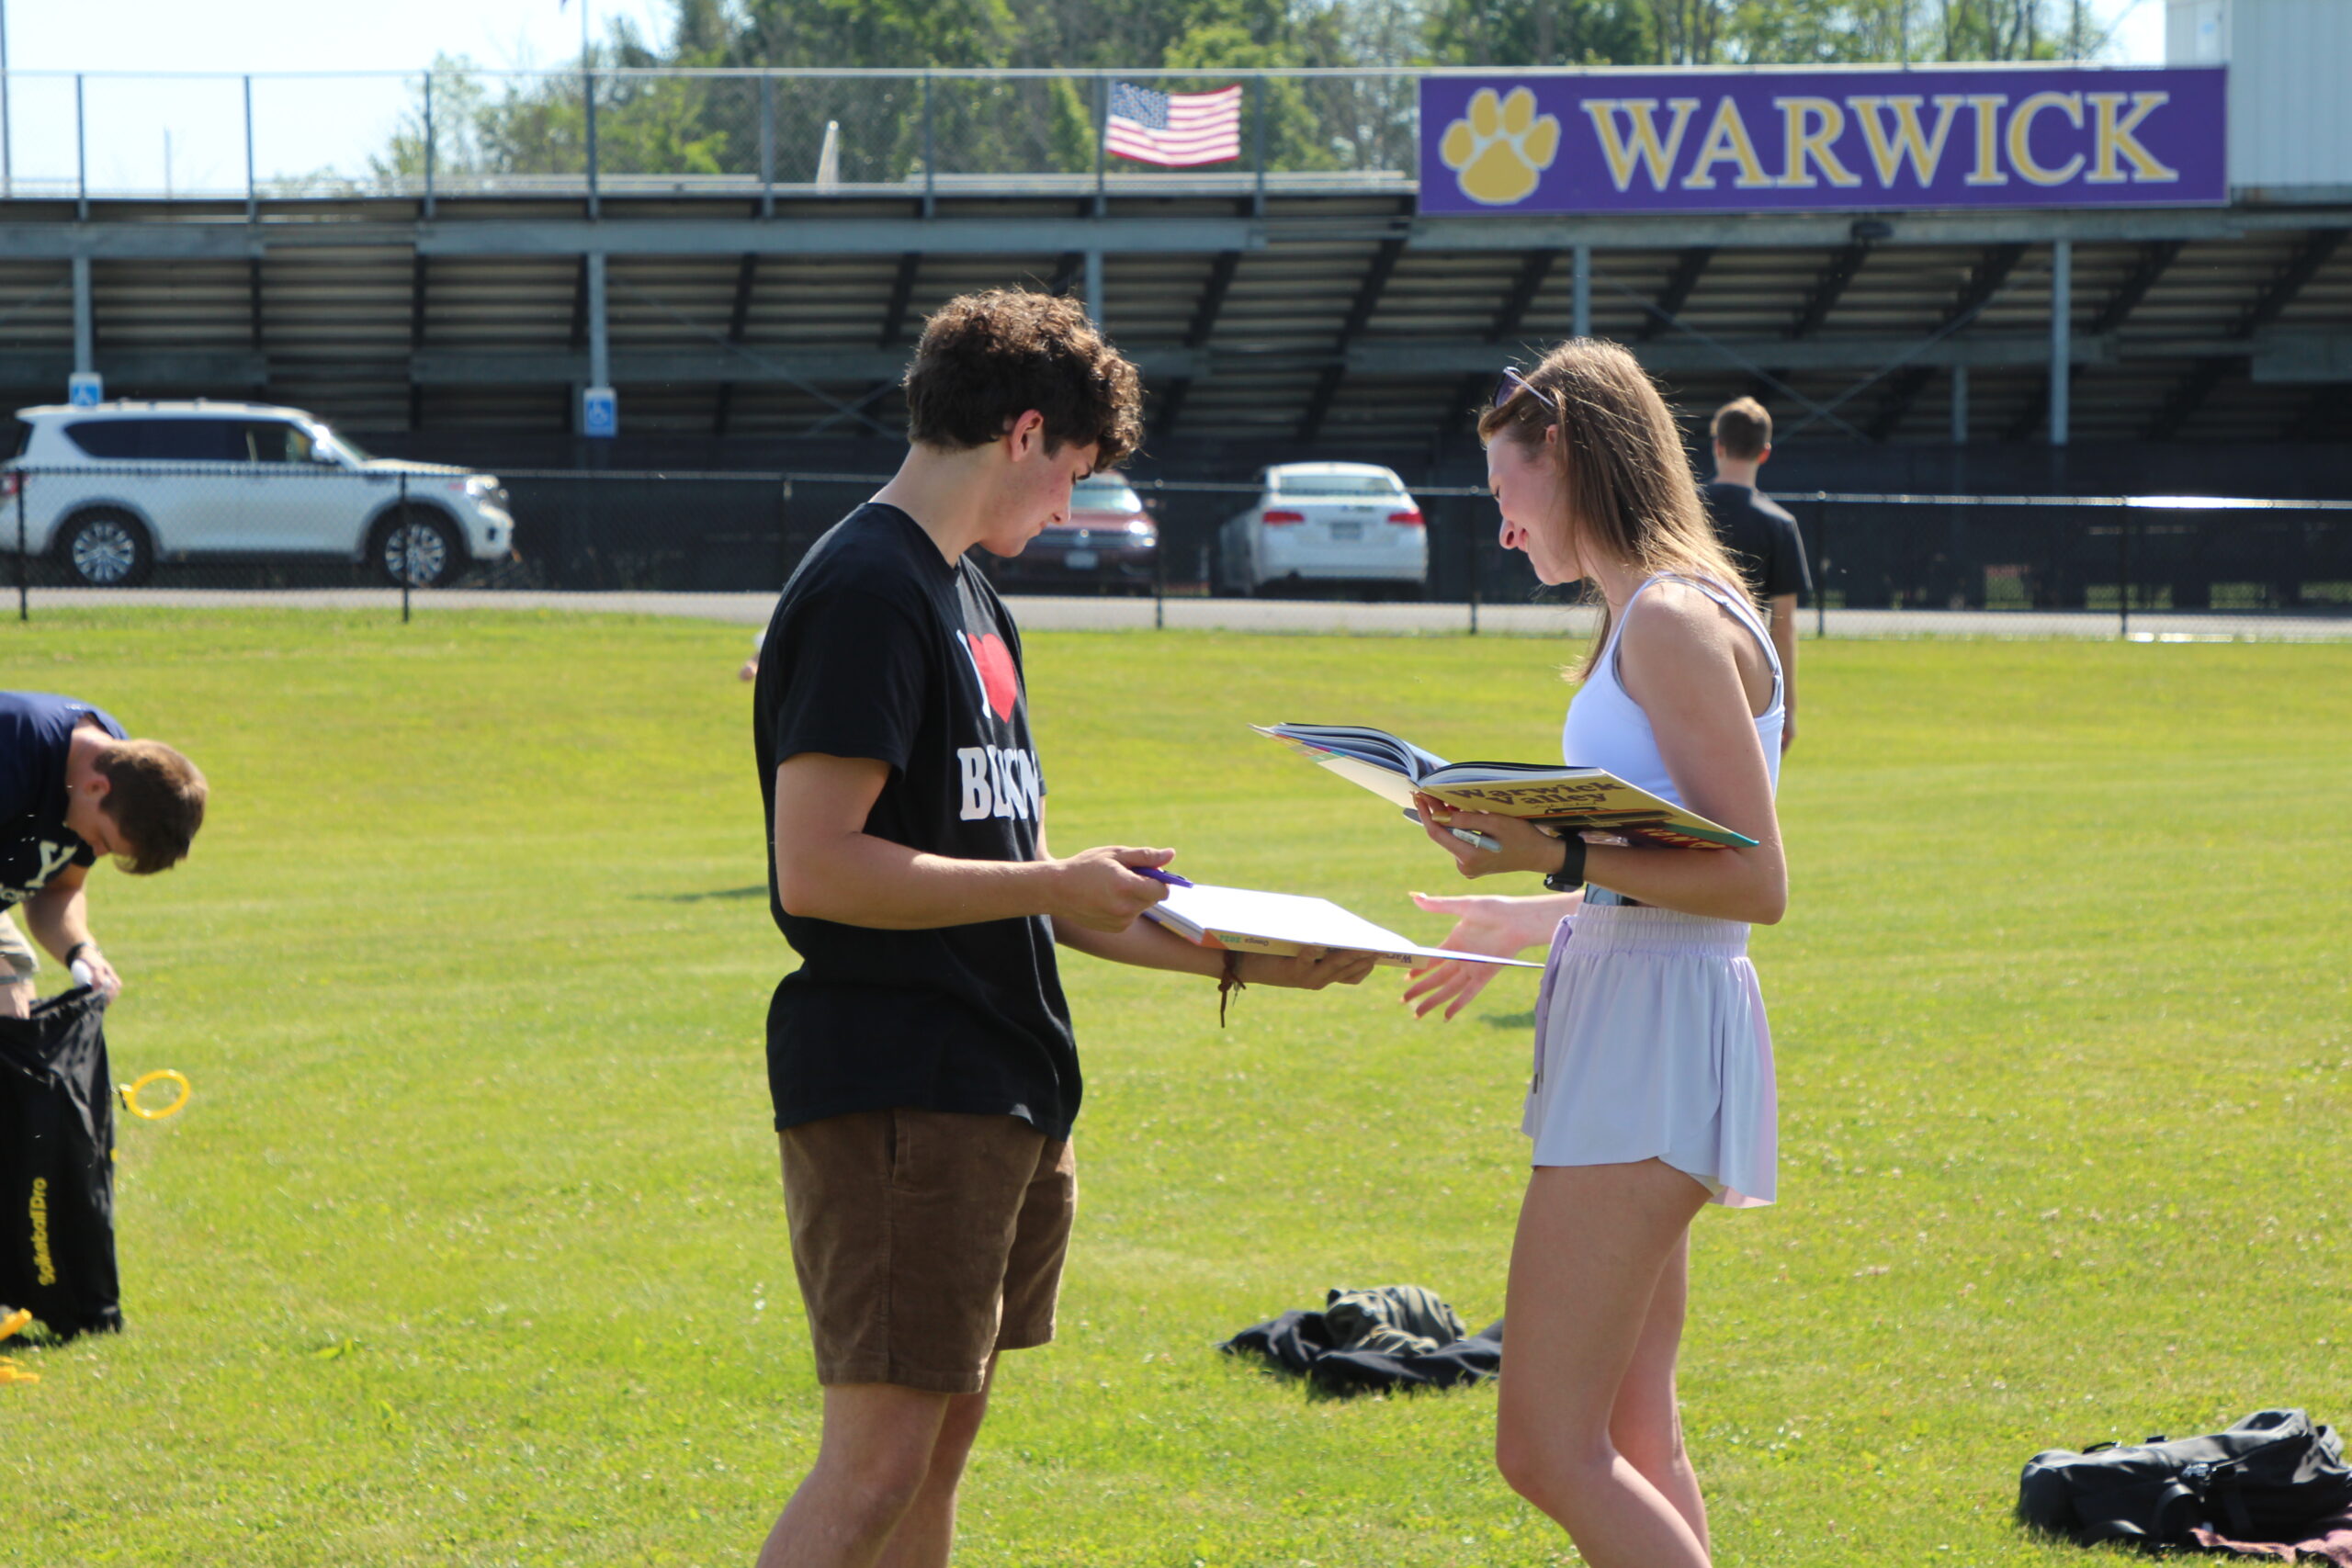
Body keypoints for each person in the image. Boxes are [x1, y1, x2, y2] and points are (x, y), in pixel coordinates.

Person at [750, 288, 1376, 1568]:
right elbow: (818, 869)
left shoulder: (974, 598)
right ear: (1026, 431)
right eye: (1075, 477)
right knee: (870, 1469)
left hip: (997, 1086)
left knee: (931, 1461)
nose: (1070, 507)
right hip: (900, 1089)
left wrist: (1245, 956)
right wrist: (1050, 884)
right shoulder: (872, 588)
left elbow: (1022, 874)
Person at [1400, 342, 1788, 1568]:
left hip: (1655, 1042)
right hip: (1647, 1011)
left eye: (1505, 490)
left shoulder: (1671, 616)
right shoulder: (1653, 609)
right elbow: (1670, 870)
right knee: (1631, 1421)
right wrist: (1529, 909)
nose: (1505, 528)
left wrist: (1550, 858)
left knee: (1545, 1444)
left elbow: (1754, 881)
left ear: (1560, 450)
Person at [1, 691, 208, 1019]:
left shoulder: (119, 775)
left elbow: (59, 888)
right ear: (96, 788)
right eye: (103, 840)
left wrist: (81, 950)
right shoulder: (13, 748)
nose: (94, 851)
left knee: (14, 1023)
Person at [1699, 397, 1808, 752]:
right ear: (1765, 453)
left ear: (1718, 446)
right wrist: (1786, 708)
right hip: (1745, 672)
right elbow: (1784, 625)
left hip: (1676, 656)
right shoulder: (1780, 525)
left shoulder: (1683, 511)